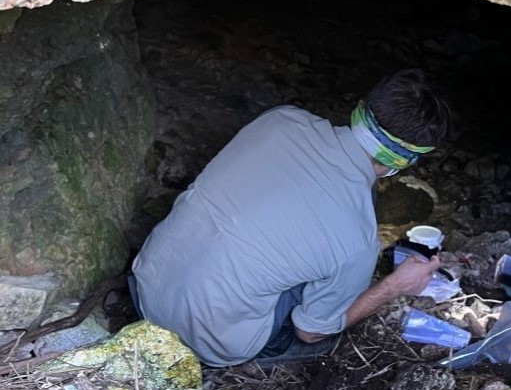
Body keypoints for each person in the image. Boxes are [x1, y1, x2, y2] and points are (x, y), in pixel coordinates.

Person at [130, 69, 453, 368]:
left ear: (361, 108)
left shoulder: (281, 120)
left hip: (147, 287)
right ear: (408, 159)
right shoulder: (357, 241)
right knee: (323, 327)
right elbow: (310, 333)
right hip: (202, 340)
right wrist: (393, 286)